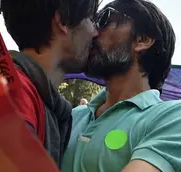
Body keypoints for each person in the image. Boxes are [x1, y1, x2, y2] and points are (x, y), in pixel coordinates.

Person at [61, 0, 181, 171]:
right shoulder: (73, 116)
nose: (93, 31)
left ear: (142, 39)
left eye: (104, 19)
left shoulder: (172, 118)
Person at [0, 0, 98, 167]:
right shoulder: (15, 93)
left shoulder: (30, 94)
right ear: (63, 21)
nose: (95, 32)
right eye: (91, 18)